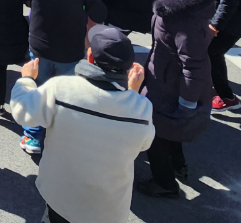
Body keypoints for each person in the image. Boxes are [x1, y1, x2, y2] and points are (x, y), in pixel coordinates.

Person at [10, 26, 154, 223]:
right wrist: (133, 93)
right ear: (129, 67)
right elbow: (144, 143)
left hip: (61, 198)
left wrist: (26, 79)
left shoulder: (61, 89)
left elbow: (22, 111)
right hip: (108, 208)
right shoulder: (141, 108)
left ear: (90, 57)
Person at [15, 0, 108, 155]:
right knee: (66, 93)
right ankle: (61, 135)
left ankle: (33, 136)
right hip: (71, 46)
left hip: (40, 41)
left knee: (38, 89)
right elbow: (99, 13)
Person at [137, 0, 215, 198]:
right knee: (170, 128)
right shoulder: (177, 3)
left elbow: (193, 64)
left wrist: (188, 101)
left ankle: (165, 183)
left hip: (170, 84)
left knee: (157, 134)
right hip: (162, 75)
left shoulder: (183, 19)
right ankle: (178, 166)